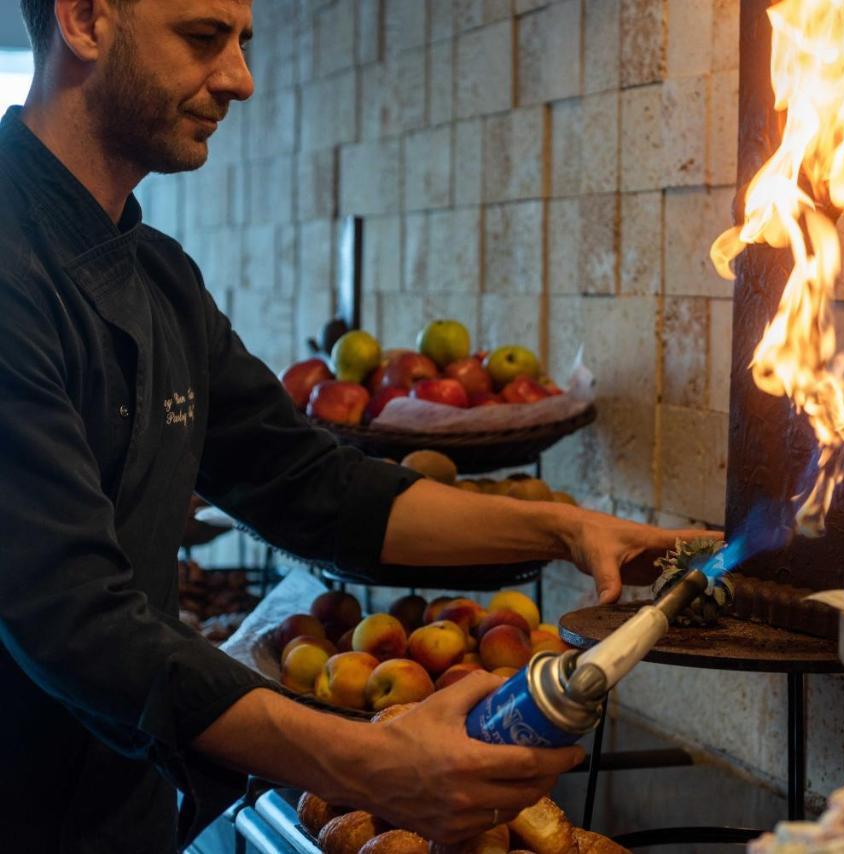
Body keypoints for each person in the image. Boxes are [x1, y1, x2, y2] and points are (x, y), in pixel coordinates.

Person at [0, 1, 715, 851]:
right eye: (202, 38)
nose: (240, 78)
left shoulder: (158, 277)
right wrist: (369, 764)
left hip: (125, 816)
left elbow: (310, 486)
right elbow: (73, 617)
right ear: (84, 19)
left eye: (242, 42)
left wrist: (564, 529)